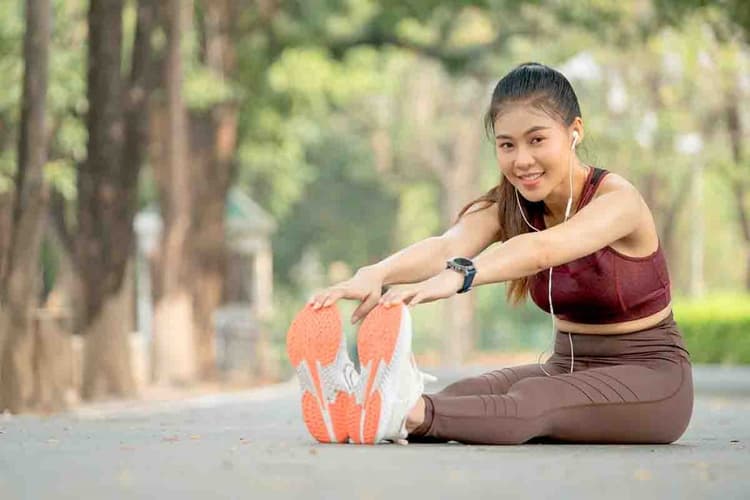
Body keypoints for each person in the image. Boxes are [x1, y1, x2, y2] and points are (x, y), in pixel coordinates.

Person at [287, 62, 693, 445]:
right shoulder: (511, 204)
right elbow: (446, 246)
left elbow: (543, 249)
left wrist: (461, 275)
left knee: (534, 400)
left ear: (575, 132)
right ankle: (358, 408)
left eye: (537, 140)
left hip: (652, 378)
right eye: (507, 145)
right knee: (466, 395)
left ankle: (396, 412)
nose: (522, 160)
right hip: (567, 367)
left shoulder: (619, 201)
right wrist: (375, 273)